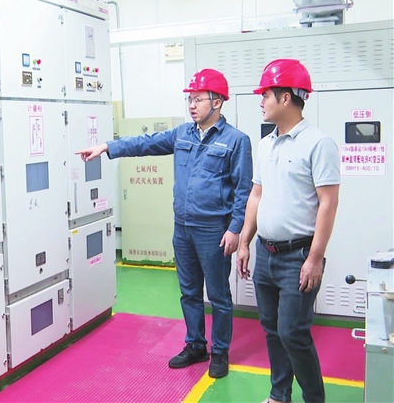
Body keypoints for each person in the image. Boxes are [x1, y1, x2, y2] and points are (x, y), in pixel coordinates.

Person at [76, 69, 253, 378]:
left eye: (198, 99)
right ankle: (195, 345)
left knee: (219, 295)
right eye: (189, 99)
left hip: (214, 230)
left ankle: (220, 352)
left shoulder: (236, 141)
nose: (192, 105)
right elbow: (145, 143)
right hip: (182, 228)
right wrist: (107, 147)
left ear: (217, 102)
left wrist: (235, 228)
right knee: (189, 292)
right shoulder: (182, 134)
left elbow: (243, 190)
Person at [236, 58, 341, 403]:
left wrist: (315, 259)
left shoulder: (319, 143)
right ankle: (279, 395)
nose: (261, 101)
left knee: (293, 333)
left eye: (265, 94)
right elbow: (256, 195)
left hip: (299, 256)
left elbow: (328, 203)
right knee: (272, 330)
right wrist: (245, 241)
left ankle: (314, 399)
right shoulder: (265, 144)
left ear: (285, 98)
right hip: (265, 253)